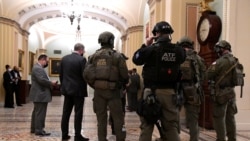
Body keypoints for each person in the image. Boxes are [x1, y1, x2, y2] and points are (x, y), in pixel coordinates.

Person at [132, 21, 186, 141]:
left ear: (156, 34)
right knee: (171, 127)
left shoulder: (151, 49)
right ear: (170, 34)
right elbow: (182, 59)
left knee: (147, 126)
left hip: (151, 93)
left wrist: (146, 45)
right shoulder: (179, 51)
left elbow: (136, 59)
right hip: (170, 93)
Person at [84, 31, 128, 141]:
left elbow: (86, 74)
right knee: (118, 119)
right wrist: (119, 84)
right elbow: (125, 75)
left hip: (98, 92)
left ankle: (102, 139)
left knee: (101, 119)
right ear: (111, 41)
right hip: (114, 92)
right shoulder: (117, 56)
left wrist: (96, 85)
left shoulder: (93, 57)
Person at [206, 40, 238, 141]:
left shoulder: (219, 62)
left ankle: (221, 139)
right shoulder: (235, 60)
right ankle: (232, 139)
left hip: (221, 94)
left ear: (222, 49)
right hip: (231, 93)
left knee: (219, 118)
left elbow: (207, 75)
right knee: (230, 118)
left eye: (218, 49)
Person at [178, 36, 206, 141]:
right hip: (193, 90)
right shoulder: (198, 58)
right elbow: (204, 76)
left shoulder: (178, 56)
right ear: (191, 45)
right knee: (193, 120)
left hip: (178, 90)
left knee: (174, 117)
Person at [60, 43, 89, 141]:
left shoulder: (64, 59)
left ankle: (64, 134)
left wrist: (64, 86)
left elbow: (61, 75)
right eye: (83, 51)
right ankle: (77, 136)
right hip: (78, 91)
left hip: (67, 90)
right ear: (81, 50)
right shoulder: (82, 59)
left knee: (66, 113)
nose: (84, 52)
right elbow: (84, 75)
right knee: (78, 113)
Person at [29, 54, 57, 136]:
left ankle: (34, 128)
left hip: (38, 94)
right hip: (40, 94)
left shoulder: (37, 67)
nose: (47, 63)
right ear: (42, 60)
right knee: (40, 113)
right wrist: (51, 83)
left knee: (36, 112)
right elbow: (41, 80)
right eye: (47, 61)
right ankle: (39, 130)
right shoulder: (38, 68)